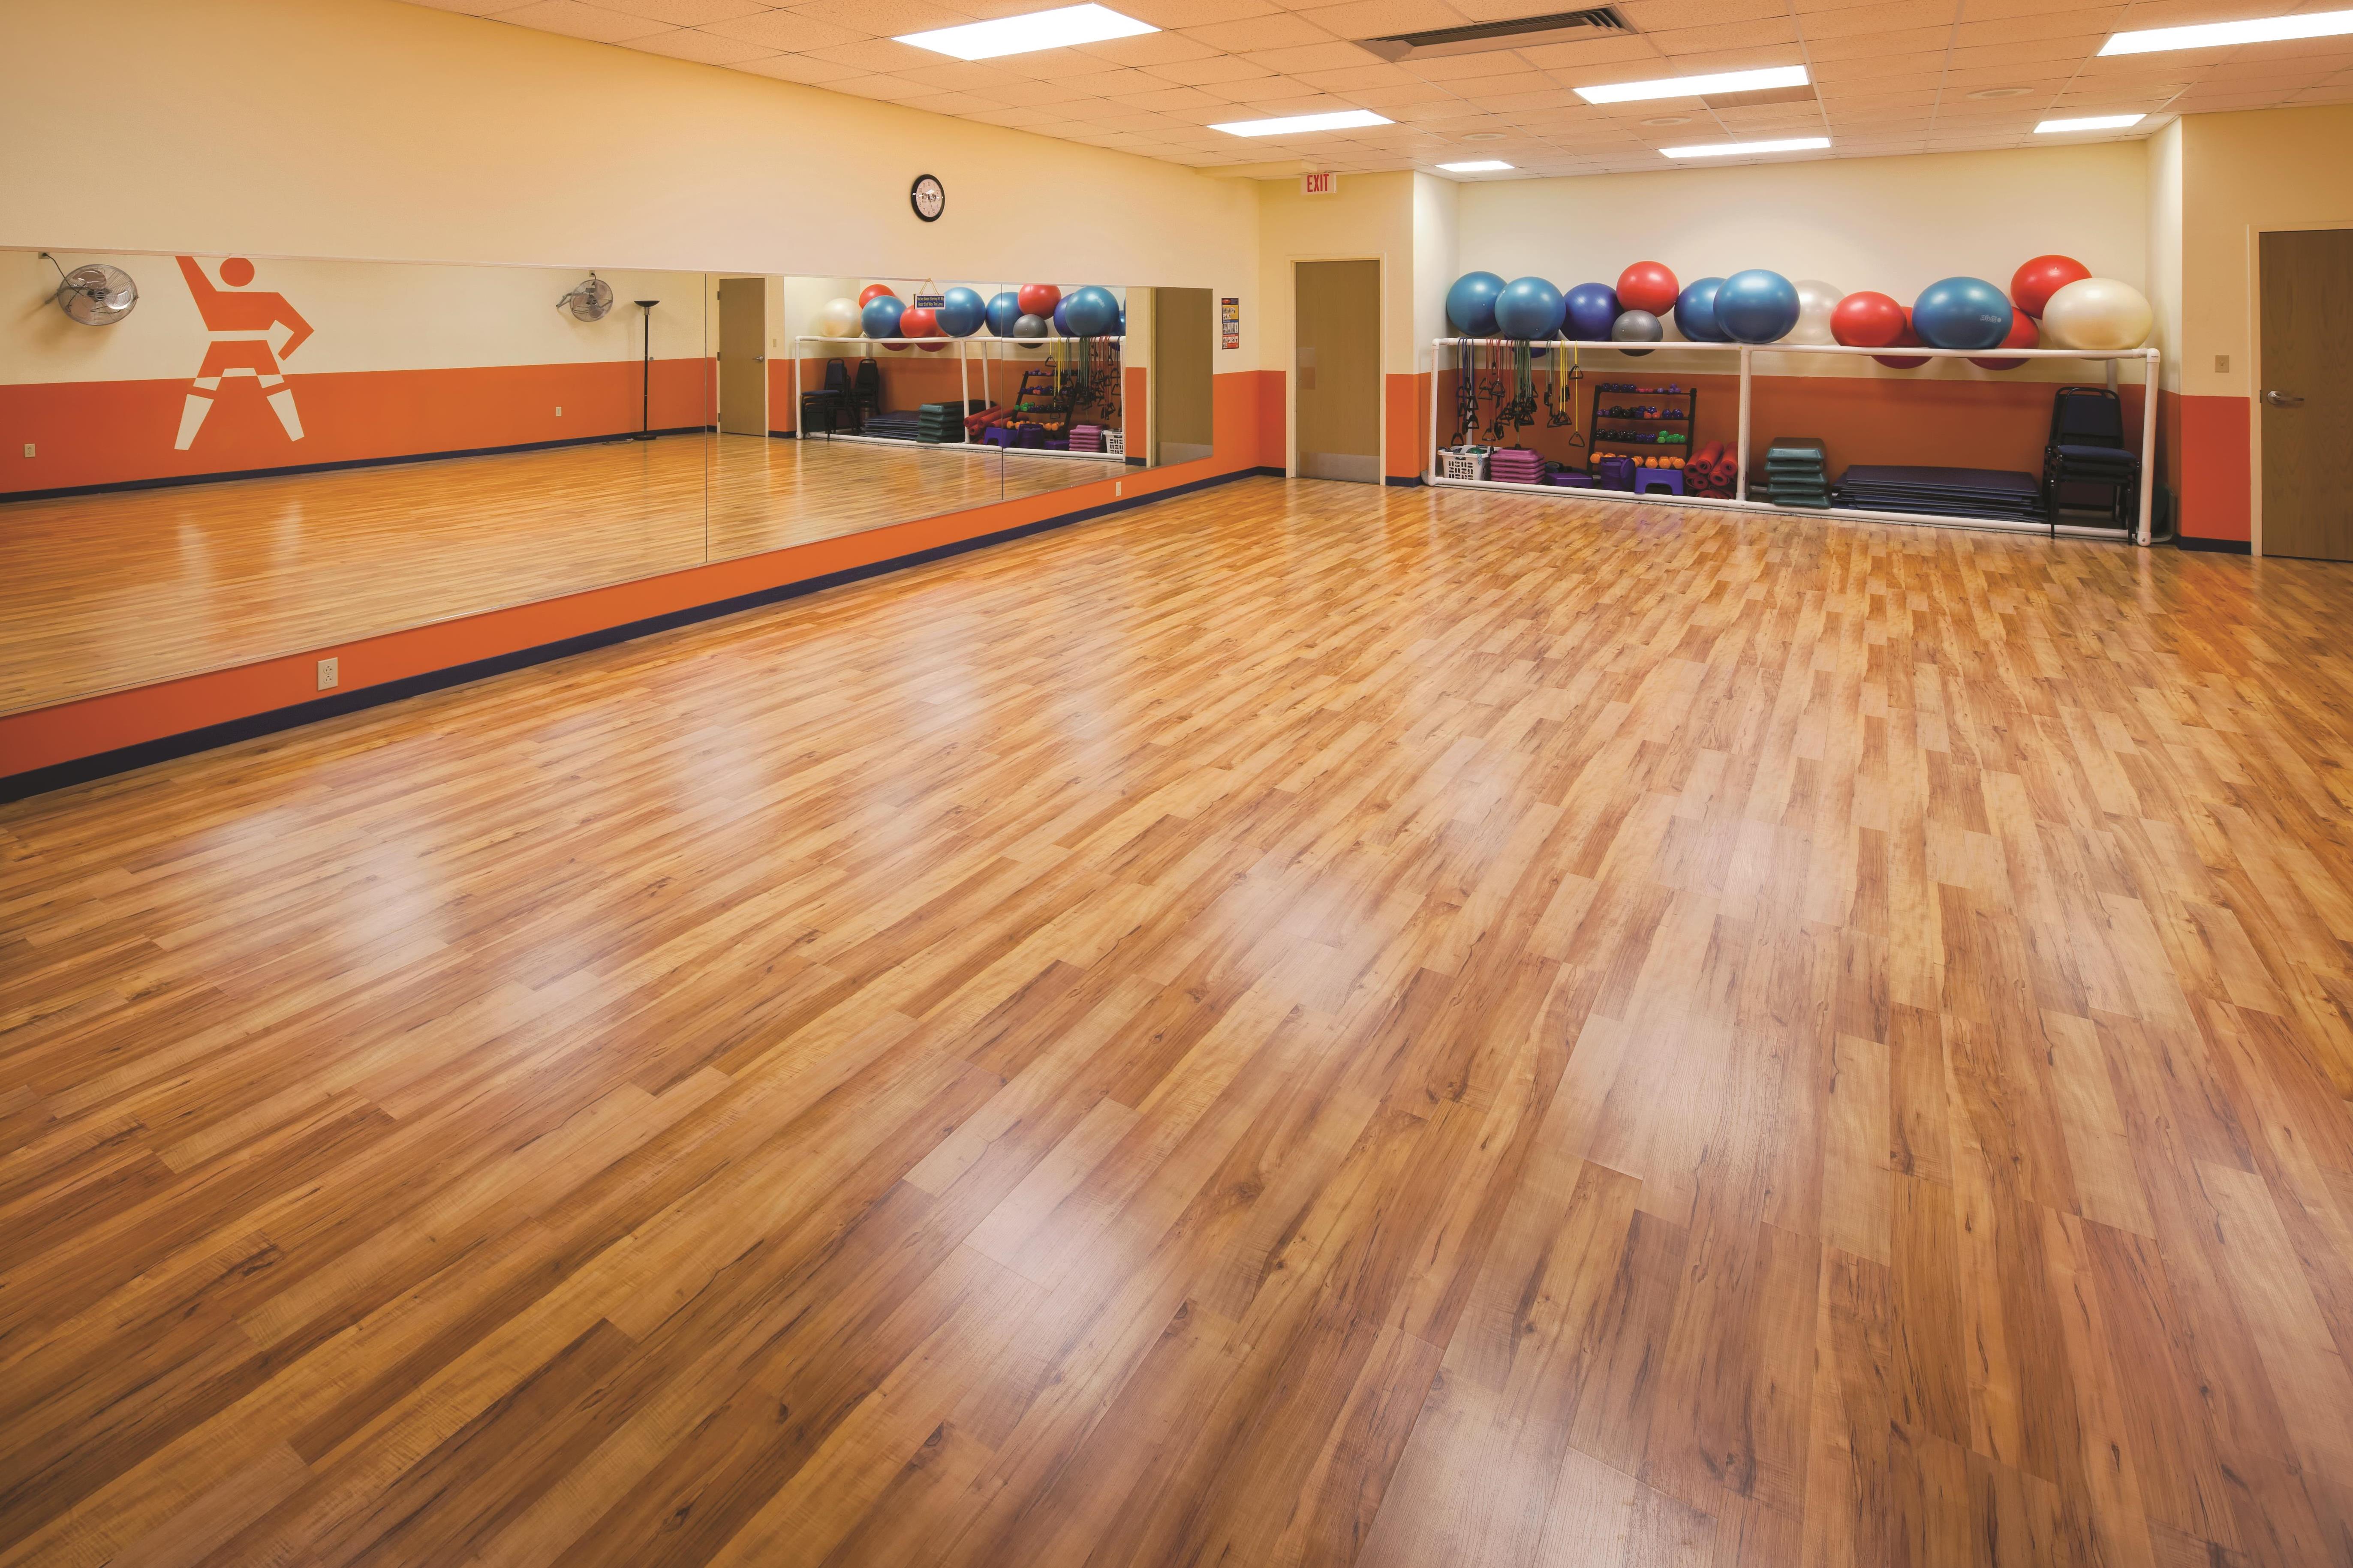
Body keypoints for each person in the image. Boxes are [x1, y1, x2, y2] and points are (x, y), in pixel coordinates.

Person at [174, 256, 313, 451]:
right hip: (257, 350)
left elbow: (194, 277)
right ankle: (297, 437)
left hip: (221, 350)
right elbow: (303, 329)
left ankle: (183, 444)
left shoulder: (212, 297)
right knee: (276, 389)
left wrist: (184, 255)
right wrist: (283, 354)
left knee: (202, 391)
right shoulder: (271, 299)